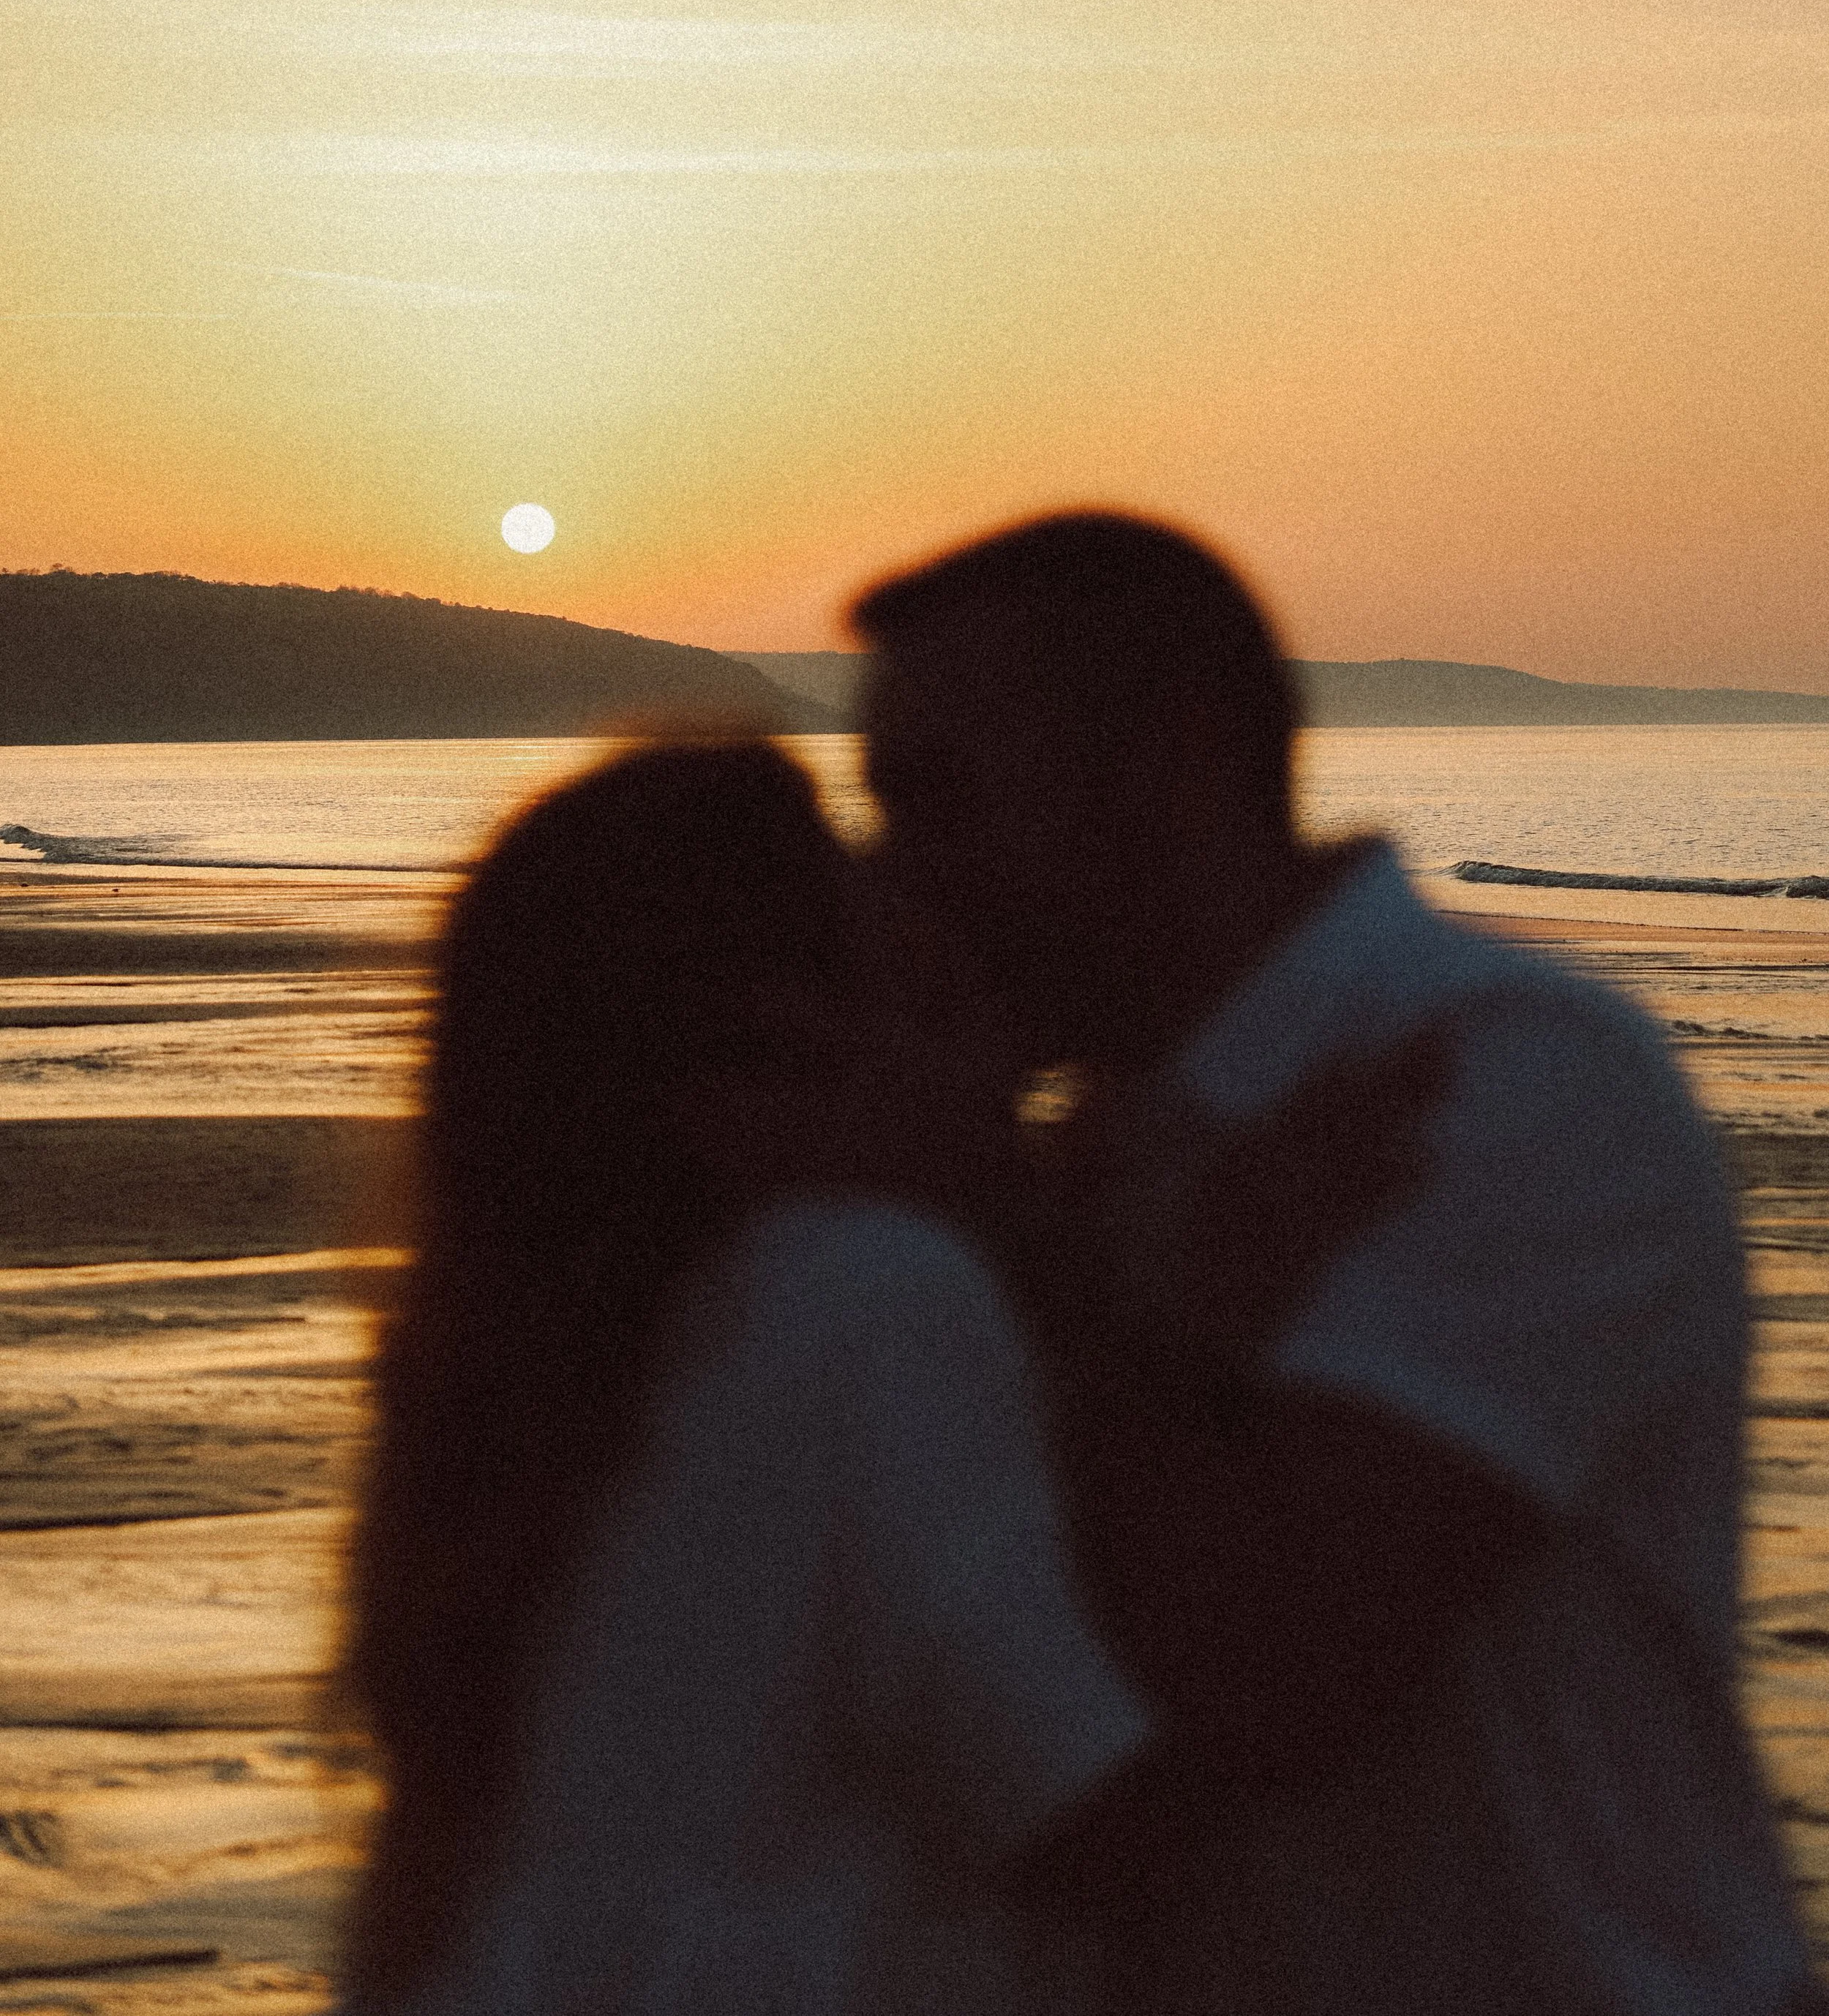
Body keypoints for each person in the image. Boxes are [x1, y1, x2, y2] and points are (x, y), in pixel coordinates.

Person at [854, 508, 1823, 2016]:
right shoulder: (1103, 1151)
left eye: (936, 800)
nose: (894, 877)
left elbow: (1259, 1675)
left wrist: (1016, 1232)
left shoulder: (1500, 1087)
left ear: (1165, 767)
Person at [340, 737, 1155, 2016]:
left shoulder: (549, 1362)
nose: (927, 917)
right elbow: (1089, 1817)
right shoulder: (858, 1296)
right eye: (862, 900)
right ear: (767, 1045)